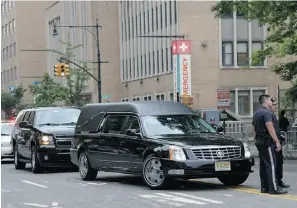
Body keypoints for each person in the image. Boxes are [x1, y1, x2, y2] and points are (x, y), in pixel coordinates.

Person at [252, 94, 287, 194]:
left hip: (259, 141)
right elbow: (270, 127)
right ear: (266, 101)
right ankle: (274, 188)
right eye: (270, 101)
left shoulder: (256, 113)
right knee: (271, 165)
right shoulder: (267, 113)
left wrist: (256, 138)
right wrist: (277, 141)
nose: (272, 103)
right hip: (267, 142)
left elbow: (254, 128)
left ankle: (264, 187)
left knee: (264, 165)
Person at [270, 101, 290, 189]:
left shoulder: (274, 116)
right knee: (275, 164)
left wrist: (281, 137)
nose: (276, 107)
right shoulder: (268, 116)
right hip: (273, 143)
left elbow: (276, 130)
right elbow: (271, 130)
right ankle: (275, 182)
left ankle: (279, 180)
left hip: (277, 141)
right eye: (274, 105)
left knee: (279, 163)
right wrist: (278, 140)